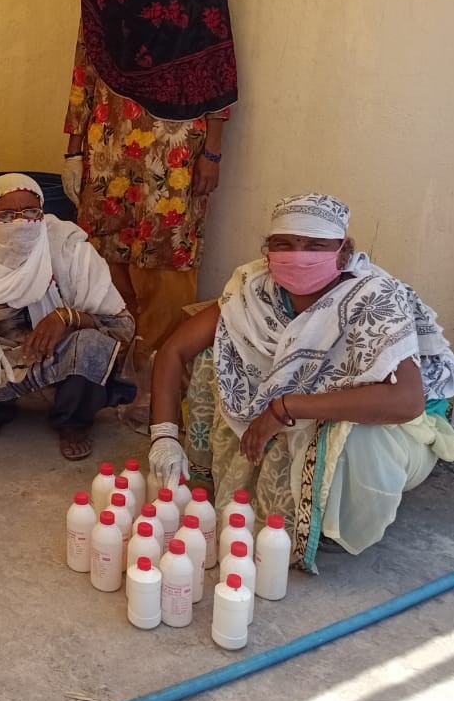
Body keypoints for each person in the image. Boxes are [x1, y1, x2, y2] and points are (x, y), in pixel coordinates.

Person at [147, 194, 454, 571]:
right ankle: (224, 477)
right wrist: (163, 435)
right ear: (268, 250)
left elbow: (406, 402)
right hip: (303, 407)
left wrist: (287, 407)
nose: (298, 255)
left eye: (315, 245)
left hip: (401, 432)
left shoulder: (372, 296)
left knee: (349, 430)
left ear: (342, 251)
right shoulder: (255, 289)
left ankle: (334, 518)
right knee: (216, 356)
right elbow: (174, 351)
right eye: (285, 244)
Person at [62, 0, 238, 354]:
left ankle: (156, 373)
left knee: (168, 259)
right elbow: (85, 64)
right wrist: (74, 148)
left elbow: (219, 65)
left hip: (178, 148)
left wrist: (215, 153)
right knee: (107, 253)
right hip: (110, 139)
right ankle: (110, 363)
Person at [0, 174, 135, 456]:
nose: (20, 222)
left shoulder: (67, 248)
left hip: (59, 356)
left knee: (94, 345)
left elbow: (122, 327)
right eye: (6, 215)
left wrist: (66, 317)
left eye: (31, 212)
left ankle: (73, 421)